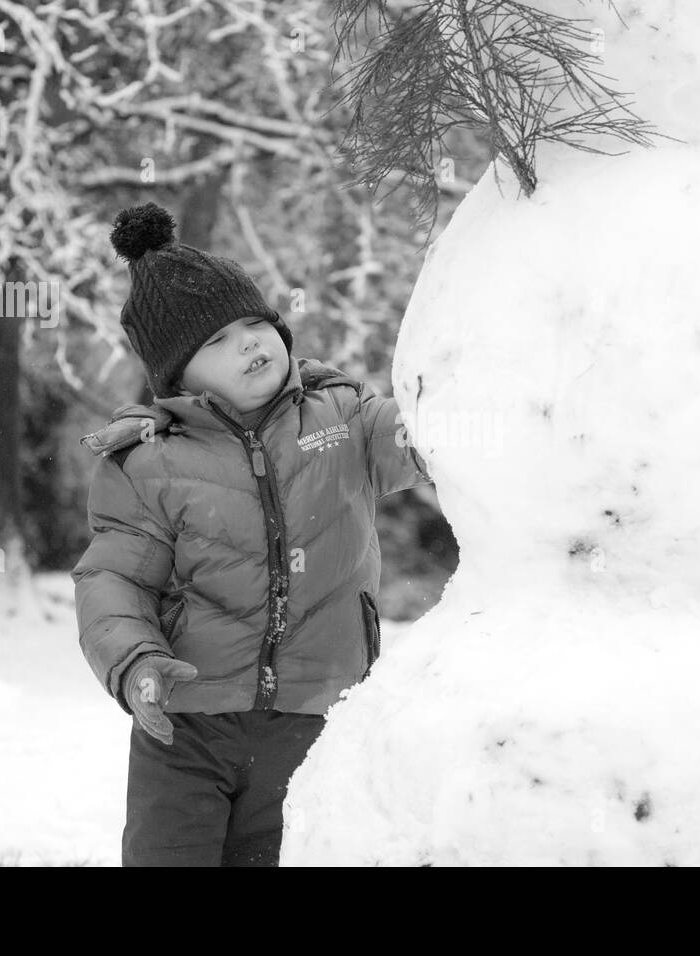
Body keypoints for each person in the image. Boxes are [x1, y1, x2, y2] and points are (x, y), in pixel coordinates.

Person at [72, 201, 433, 866]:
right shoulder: (150, 461)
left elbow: (422, 440)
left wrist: (451, 413)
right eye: (215, 340)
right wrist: (134, 664)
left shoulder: (342, 418)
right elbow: (114, 578)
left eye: (253, 323)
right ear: (176, 375)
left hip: (315, 717)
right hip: (187, 727)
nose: (247, 343)